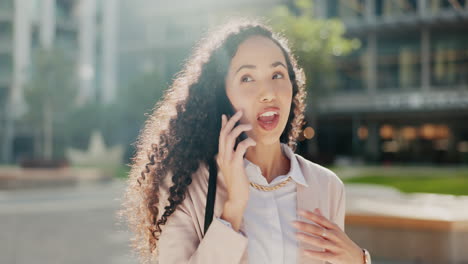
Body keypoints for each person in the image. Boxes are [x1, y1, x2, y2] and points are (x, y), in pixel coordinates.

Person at [121, 17, 371, 264]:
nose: (268, 93)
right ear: (222, 95)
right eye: (247, 78)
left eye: (277, 74)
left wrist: (359, 261)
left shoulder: (326, 186)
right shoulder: (183, 188)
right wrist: (233, 209)